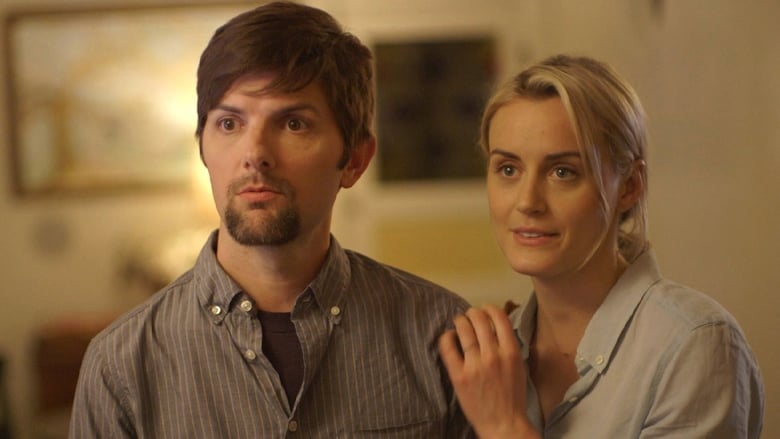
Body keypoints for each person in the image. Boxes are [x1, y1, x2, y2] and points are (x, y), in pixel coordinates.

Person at [69, 2, 473, 437]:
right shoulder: (121, 365)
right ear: (203, 148)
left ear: (355, 159)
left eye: (294, 123)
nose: (255, 153)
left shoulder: (442, 337)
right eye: (229, 124)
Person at [438, 55, 765, 438]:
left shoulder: (693, 343)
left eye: (563, 172)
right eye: (508, 169)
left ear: (629, 186)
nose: (527, 202)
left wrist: (504, 425)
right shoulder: (488, 356)